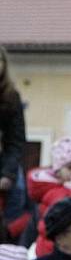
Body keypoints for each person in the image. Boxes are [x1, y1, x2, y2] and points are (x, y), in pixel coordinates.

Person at [27, 136, 71, 258]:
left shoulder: (67, 189)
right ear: (58, 171)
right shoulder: (58, 193)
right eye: (70, 167)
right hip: (53, 250)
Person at [0, 48, 32, 242]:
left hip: (4, 159)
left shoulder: (10, 97)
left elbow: (16, 140)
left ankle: (9, 238)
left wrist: (8, 173)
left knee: (19, 188)